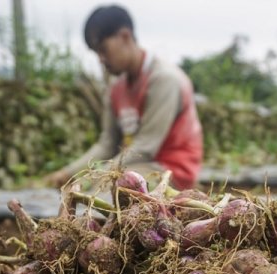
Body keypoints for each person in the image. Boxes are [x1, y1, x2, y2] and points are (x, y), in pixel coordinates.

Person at [43, 4, 203, 190]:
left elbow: (145, 147)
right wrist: (68, 173)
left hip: (170, 172)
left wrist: (93, 178)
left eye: (103, 49)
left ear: (125, 37)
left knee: (110, 188)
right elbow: (107, 144)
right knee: (97, 187)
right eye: (96, 53)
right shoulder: (115, 89)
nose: (101, 59)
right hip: (136, 167)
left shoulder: (165, 80)